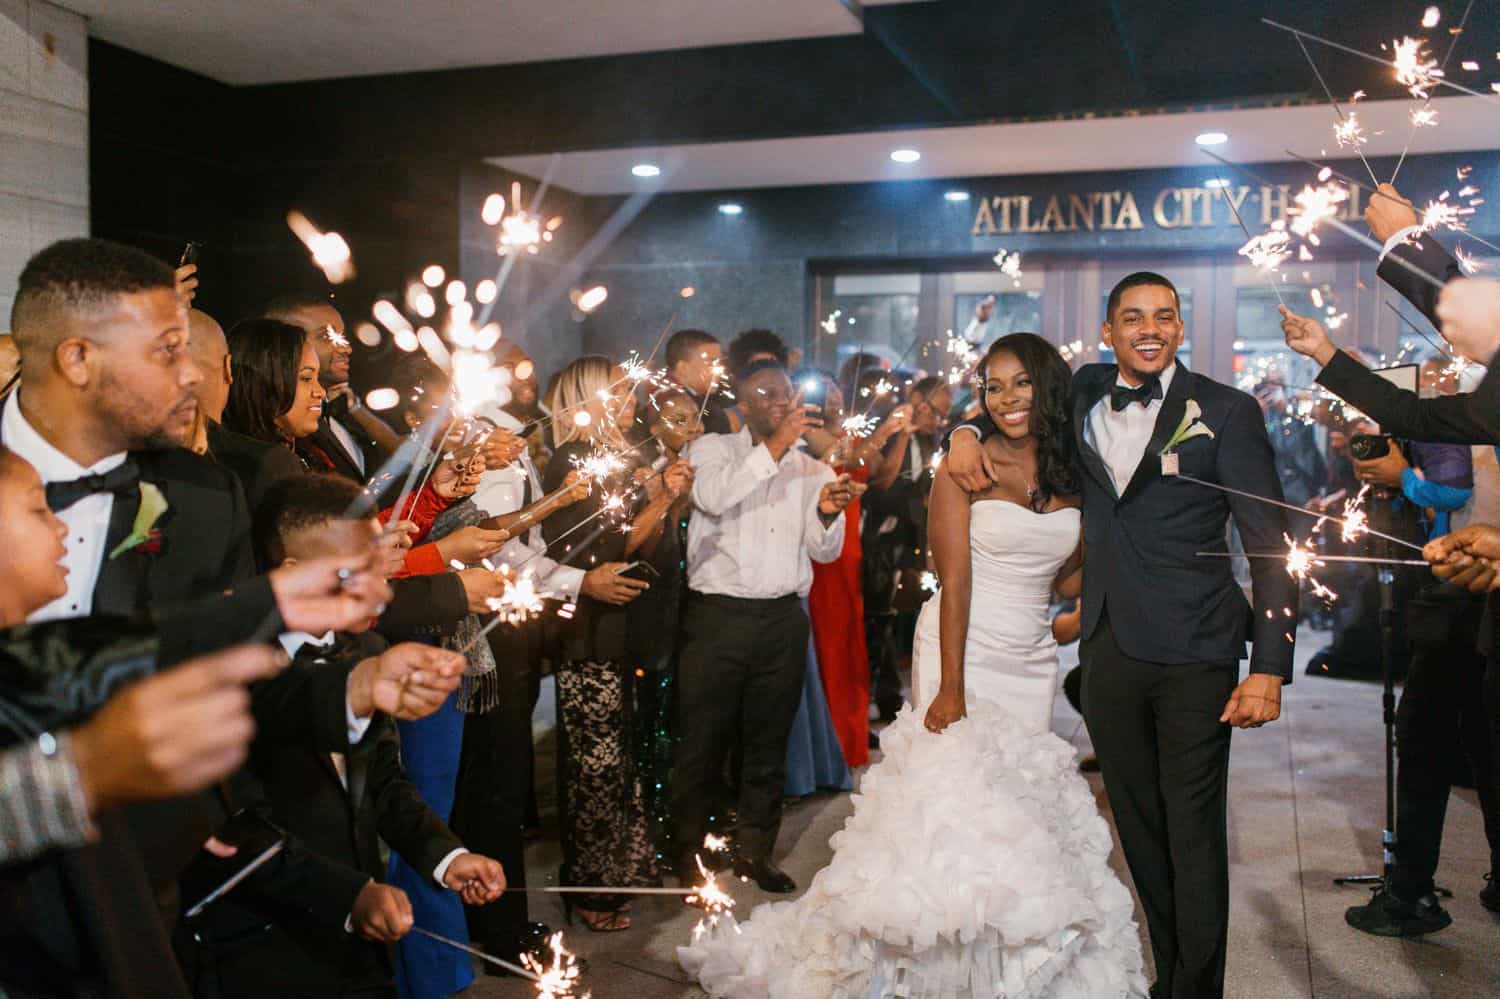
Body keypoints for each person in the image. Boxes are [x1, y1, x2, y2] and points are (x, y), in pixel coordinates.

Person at [681, 335, 1145, 998]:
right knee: (956, 800)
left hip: (1032, 654)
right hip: (963, 645)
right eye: (992, 387)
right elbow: (954, 583)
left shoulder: (1078, 475)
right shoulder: (965, 464)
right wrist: (950, 688)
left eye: (1020, 384)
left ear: (1049, 388)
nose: (1005, 399)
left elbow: (1066, 580)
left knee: (1017, 803)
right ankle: (932, 964)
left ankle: (1004, 960)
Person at [947, 273, 1296, 999]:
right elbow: (1012, 412)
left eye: (1164, 316)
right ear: (1108, 331)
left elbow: (1269, 544)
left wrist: (1269, 665)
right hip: (1107, 651)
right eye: (1132, 316)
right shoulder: (1080, 394)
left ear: (1179, 327)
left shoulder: (1227, 412)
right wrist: (962, 430)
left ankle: (1195, 989)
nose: (1150, 328)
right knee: (1139, 830)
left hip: (1198, 651)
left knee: (1193, 833)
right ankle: (1172, 973)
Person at [189, 472, 505, 998]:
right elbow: (231, 829)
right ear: (293, 572)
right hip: (267, 953)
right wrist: (348, 897)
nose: (381, 590)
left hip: (362, 952)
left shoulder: (366, 648)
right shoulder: (227, 667)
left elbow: (381, 780)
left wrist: (447, 856)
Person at [1280, 277, 1500, 933]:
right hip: (1459, 584)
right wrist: (1325, 353)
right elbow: (1414, 415)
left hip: (1472, 587)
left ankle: (1411, 891)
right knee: (1447, 732)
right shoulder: (1469, 404)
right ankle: (1413, 887)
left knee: (1447, 735)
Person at [671, 359, 855, 895]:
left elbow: (825, 551)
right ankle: (688, 854)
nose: (780, 401)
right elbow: (712, 498)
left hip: (781, 618)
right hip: (717, 617)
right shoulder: (710, 450)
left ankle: (756, 852)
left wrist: (826, 512)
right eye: (767, 393)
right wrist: (774, 448)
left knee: (767, 745)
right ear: (743, 401)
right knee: (701, 742)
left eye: (787, 393)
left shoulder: (811, 469)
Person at [541, 355, 690, 931]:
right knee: (594, 767)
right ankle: (589, 889)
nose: (632, 406)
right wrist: (658, 502)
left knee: (620, 758)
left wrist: (664, 498)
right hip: (589, 633)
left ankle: (619, 873)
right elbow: (599, 552)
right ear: (587, 402)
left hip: (625, 629)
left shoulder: (619, 459)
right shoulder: (572, 461)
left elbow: (646, 549)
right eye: (620, 396)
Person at [624, 385, 704, 865]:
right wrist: (670, 498)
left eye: (694, 416)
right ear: (653, 426)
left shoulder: (697, 459)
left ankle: (672, 818)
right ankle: (650, 826)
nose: (691, 426)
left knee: (676, 711)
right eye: (677, 419)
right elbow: (648, 543)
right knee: (651, 713)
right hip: (650, 600)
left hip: (686, 597)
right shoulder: (644, 466)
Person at [262, 292, 402, 483]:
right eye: (326, 336)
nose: (346, 348)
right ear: (285, 344)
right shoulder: (283, 434)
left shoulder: (346, 414)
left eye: (342, 335)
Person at [664, 328, 732, 435]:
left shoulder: (703, 402)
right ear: (684, 368)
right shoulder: (672, 405)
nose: (720, 369)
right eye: (711, 362)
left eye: (720, 363)